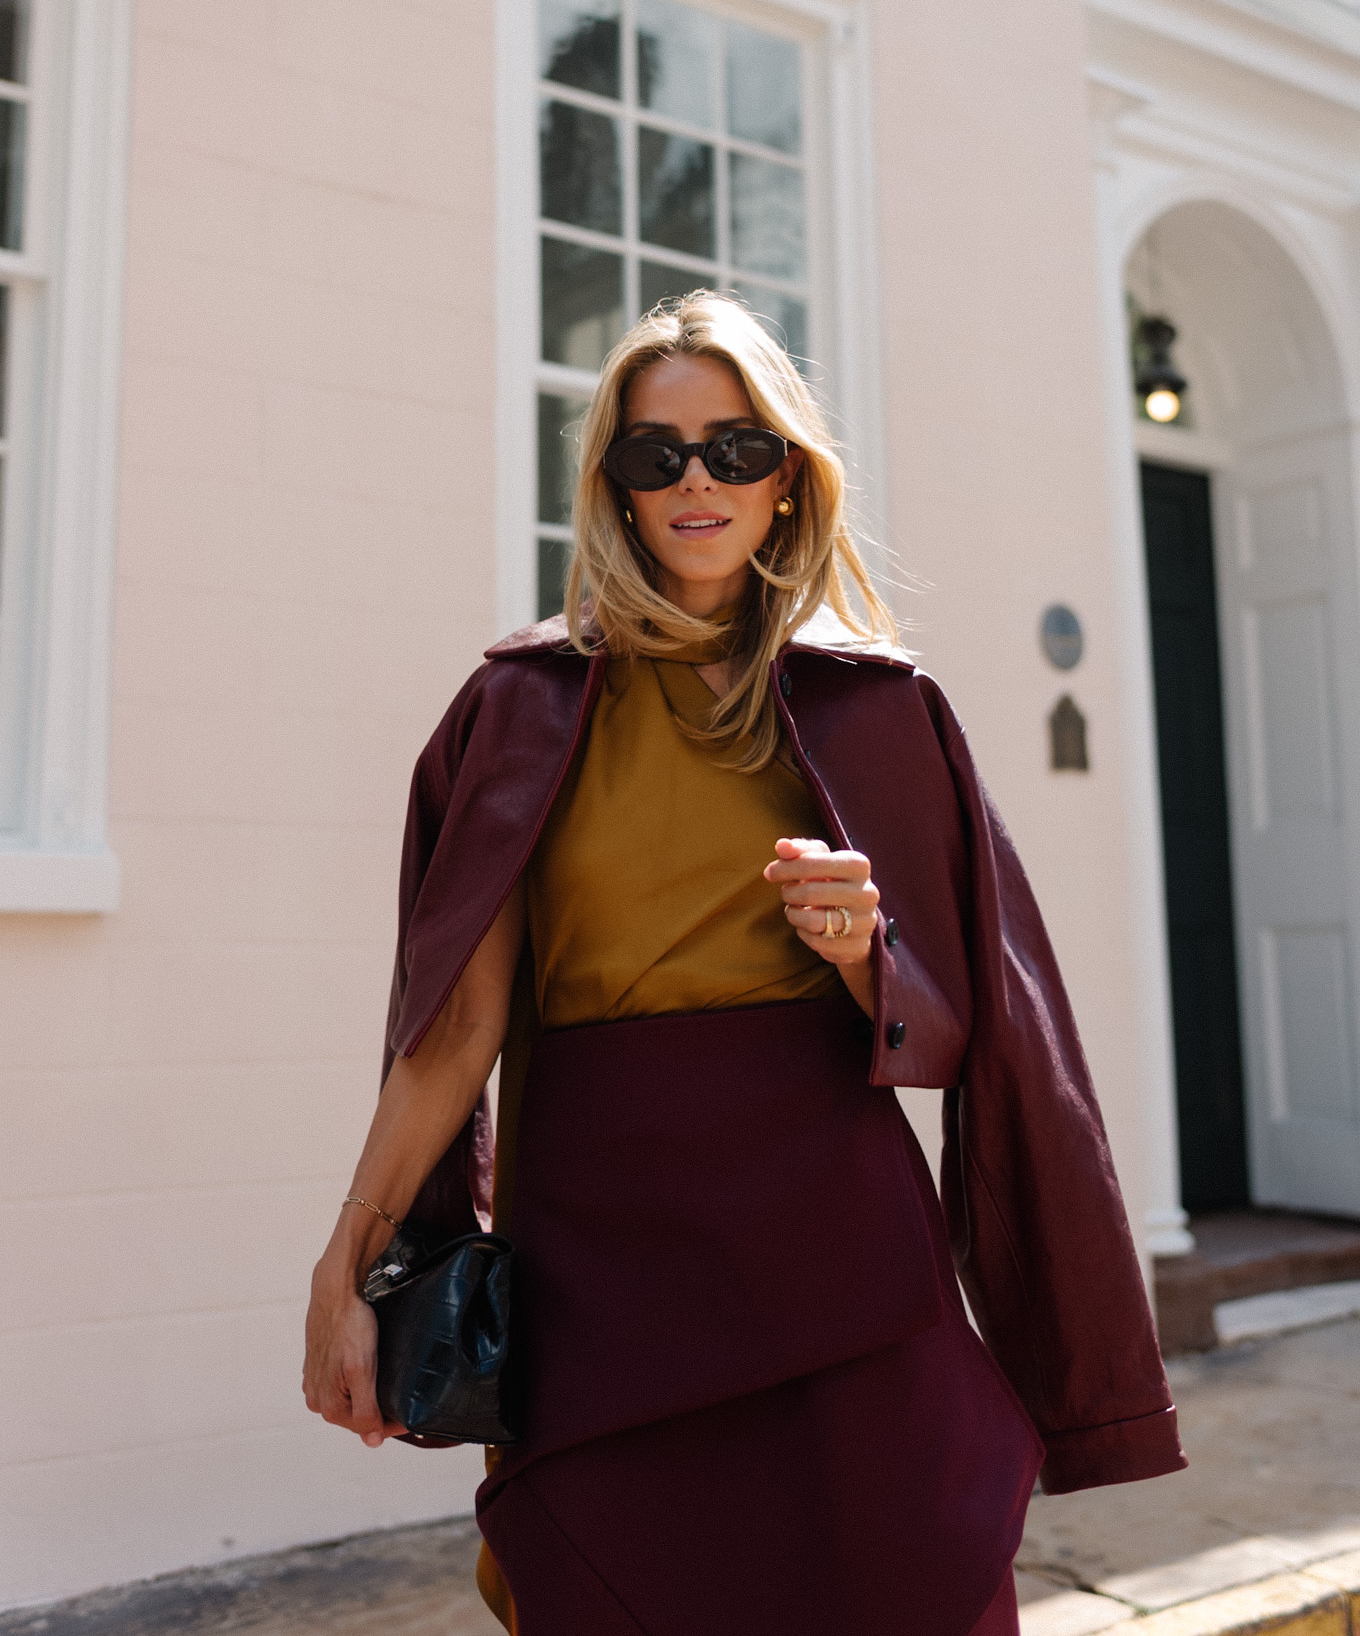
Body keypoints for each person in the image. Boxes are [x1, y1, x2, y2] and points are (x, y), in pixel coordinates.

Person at [304, 292, 1185, 1636]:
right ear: (616, 488)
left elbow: (980, 1035)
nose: (698, 480)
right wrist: (349, 1264)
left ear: (789, 480)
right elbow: (454, 1025)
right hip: (604, 1281)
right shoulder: (515, 709)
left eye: (735, 448)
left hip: (843, 1261)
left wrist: (860, 952)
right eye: (658, 456)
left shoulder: (885, 709)